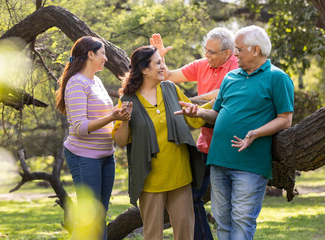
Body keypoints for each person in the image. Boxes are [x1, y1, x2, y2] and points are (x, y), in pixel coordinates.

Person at [175, 25, 294, 240]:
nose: (235, 54)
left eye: (239, 49)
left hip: (249, 164)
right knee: (222, 221)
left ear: (256, 50)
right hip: (219, 159)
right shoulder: (231, 78)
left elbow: (285, 119)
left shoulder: (278, 78)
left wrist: (256, 133)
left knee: (242, 220)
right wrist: (199, 112)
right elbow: (217, 115)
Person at [150, 27, 238, 240]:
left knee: (230, 205)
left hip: (232, 144)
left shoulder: (237, 65)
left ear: (227, 53)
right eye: (205, 50)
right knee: (191, 196)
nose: (206, 55)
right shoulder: (202, 63)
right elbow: (169, 77)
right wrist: (159, 59)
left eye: (211, 52)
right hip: (206, 144)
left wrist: (192, 103)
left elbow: (223, 93)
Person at [112, 45, 207, 240]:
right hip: (150, 180)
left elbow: (195, 119)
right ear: (144, 70)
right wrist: (124, 121)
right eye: (158, 63)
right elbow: (120, 141)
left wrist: (222, 97)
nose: (163, 67)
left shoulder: (170, 89)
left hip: (180, 175)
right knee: (153, 235)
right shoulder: (128, 100)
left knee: (185, 233)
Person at [55, 36, 131, 240]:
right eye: (103, 53)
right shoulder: (76, 83)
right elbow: (79, 127)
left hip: (106, 155)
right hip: (84, 156)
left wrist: (120, 112)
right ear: (90, 55)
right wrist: (112, 116)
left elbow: (102, 115)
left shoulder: (95, 81)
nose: (106, 58)